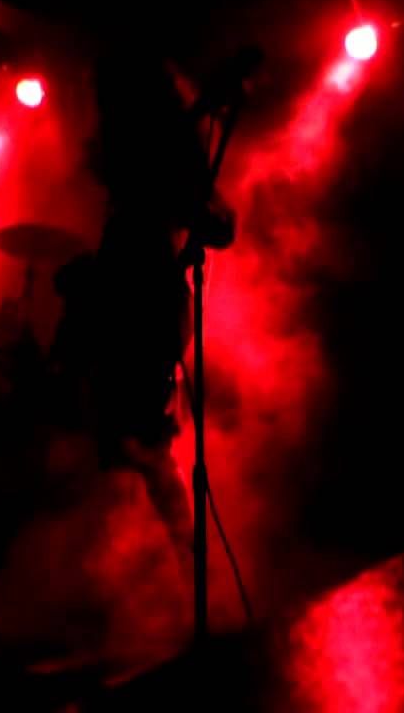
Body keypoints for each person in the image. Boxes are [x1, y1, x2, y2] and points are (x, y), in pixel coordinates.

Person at [83, 49, 235, 569]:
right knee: (126, 434)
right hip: (130, 288)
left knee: (140, 435)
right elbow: (214, 223)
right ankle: (155, 562)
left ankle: (188, 561)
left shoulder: (160, 149)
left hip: (147, 294)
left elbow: (218, 224)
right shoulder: (141, 147)